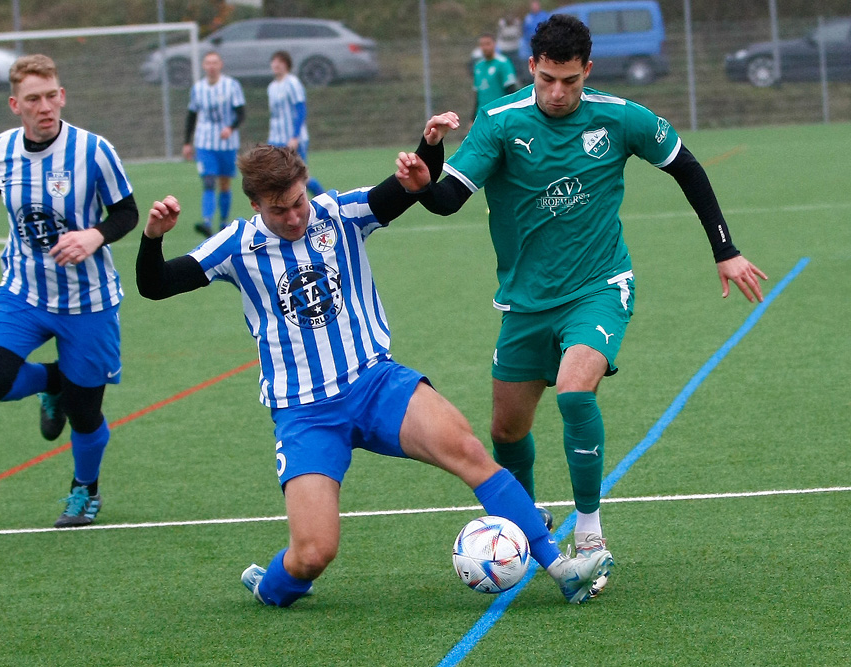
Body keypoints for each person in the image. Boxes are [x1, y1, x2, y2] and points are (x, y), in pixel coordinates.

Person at [135, 113, 614, 608]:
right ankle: (272, 585)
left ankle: (562, 569)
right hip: (305, 413)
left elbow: (403, 189)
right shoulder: (236, 245)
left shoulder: (338, 214)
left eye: (299, 201)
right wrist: (153, 238)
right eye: (280, 210)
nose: (296, 217)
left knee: (468, 449)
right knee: (313, 552)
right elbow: (154, 286)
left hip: (376, 383)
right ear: (256, 205)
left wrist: (428, 145)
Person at [411, 14, 768, 594]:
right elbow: (446, 200)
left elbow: (687, 166)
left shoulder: (620, 117)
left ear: (587, 73)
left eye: (570, 81)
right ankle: (523, 527)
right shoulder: (500, 122)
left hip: (600, 287)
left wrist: (724, 249)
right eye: (548, 79)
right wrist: (429, 150)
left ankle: (591, 532)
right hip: (525, 303)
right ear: (531, 68)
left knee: (577, 393)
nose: (557, 93)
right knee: (506, 432)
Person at [0, 54, 138, 528]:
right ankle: (54, 382)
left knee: (84, 413)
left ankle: (85, 489)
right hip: (24, 292)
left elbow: (126, 213)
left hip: (88, 301)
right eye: (33, 99)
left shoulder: (93, 151)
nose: (45, 106)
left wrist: (94, 235)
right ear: (16, 105)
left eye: (52, 95)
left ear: (62, 95)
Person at [182, 51, 246, 238]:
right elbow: (191, 116)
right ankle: (207, 221)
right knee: (209, 180)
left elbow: (241, 113)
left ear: (220, 65)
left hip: (227, 143)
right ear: (203, 66)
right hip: (205, 142)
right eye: (208, 63)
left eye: (214, 63)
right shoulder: (198, 88)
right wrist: (187, 142)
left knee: (224, 184)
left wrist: (231, 127)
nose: (211, 66)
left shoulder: (232, 86)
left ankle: (224, 222)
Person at [267, 50, 324, 197]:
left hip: (292, 139)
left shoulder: (292, 83)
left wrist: (295, 136)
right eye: (274, 62)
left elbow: (301, 109)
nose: (276, 65)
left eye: (280, 62)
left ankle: (325, 200)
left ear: (287, 65)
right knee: (276, 177)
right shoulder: (272, 87)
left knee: (300, 178)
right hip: (276, 139)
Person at [472, 33, 518, 121]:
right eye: (482, 45)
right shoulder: (478, 66)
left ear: (494, 44)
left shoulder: (503, 63)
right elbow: (477, 95)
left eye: (488, 44)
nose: (485, 47)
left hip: (499, 115)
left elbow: (511, 90)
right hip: (482, 115)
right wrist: (472, 118)